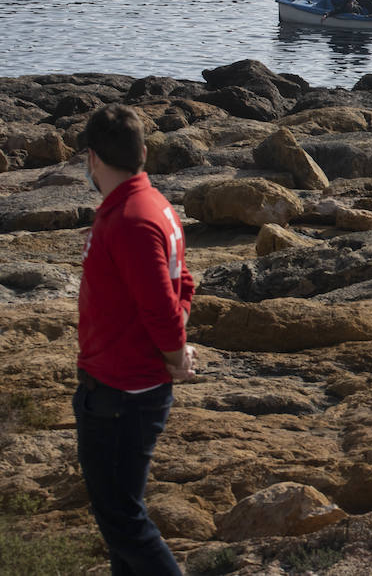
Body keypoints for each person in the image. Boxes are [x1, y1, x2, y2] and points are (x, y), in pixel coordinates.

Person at [75, 103, 196, 576]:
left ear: (92, 158)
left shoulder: (131, 219)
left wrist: (174, 355)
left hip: (123, 392)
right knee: (121, 526)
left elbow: (161, 305)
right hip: (122, 385)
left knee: (123, 521)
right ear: (143, 152)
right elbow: (182, 283)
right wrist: (175, 346)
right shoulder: (152, 206)